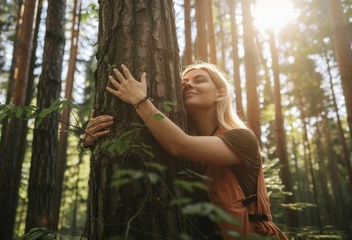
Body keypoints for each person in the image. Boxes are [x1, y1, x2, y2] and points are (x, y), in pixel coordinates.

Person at [81, 61, 288, 239]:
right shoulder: (194, 145)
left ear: (220, 93)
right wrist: (91, 141)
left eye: (199, 80)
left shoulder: (241, 138)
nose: (188, 84)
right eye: (183, 83)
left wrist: (140, 101)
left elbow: (180, 145)